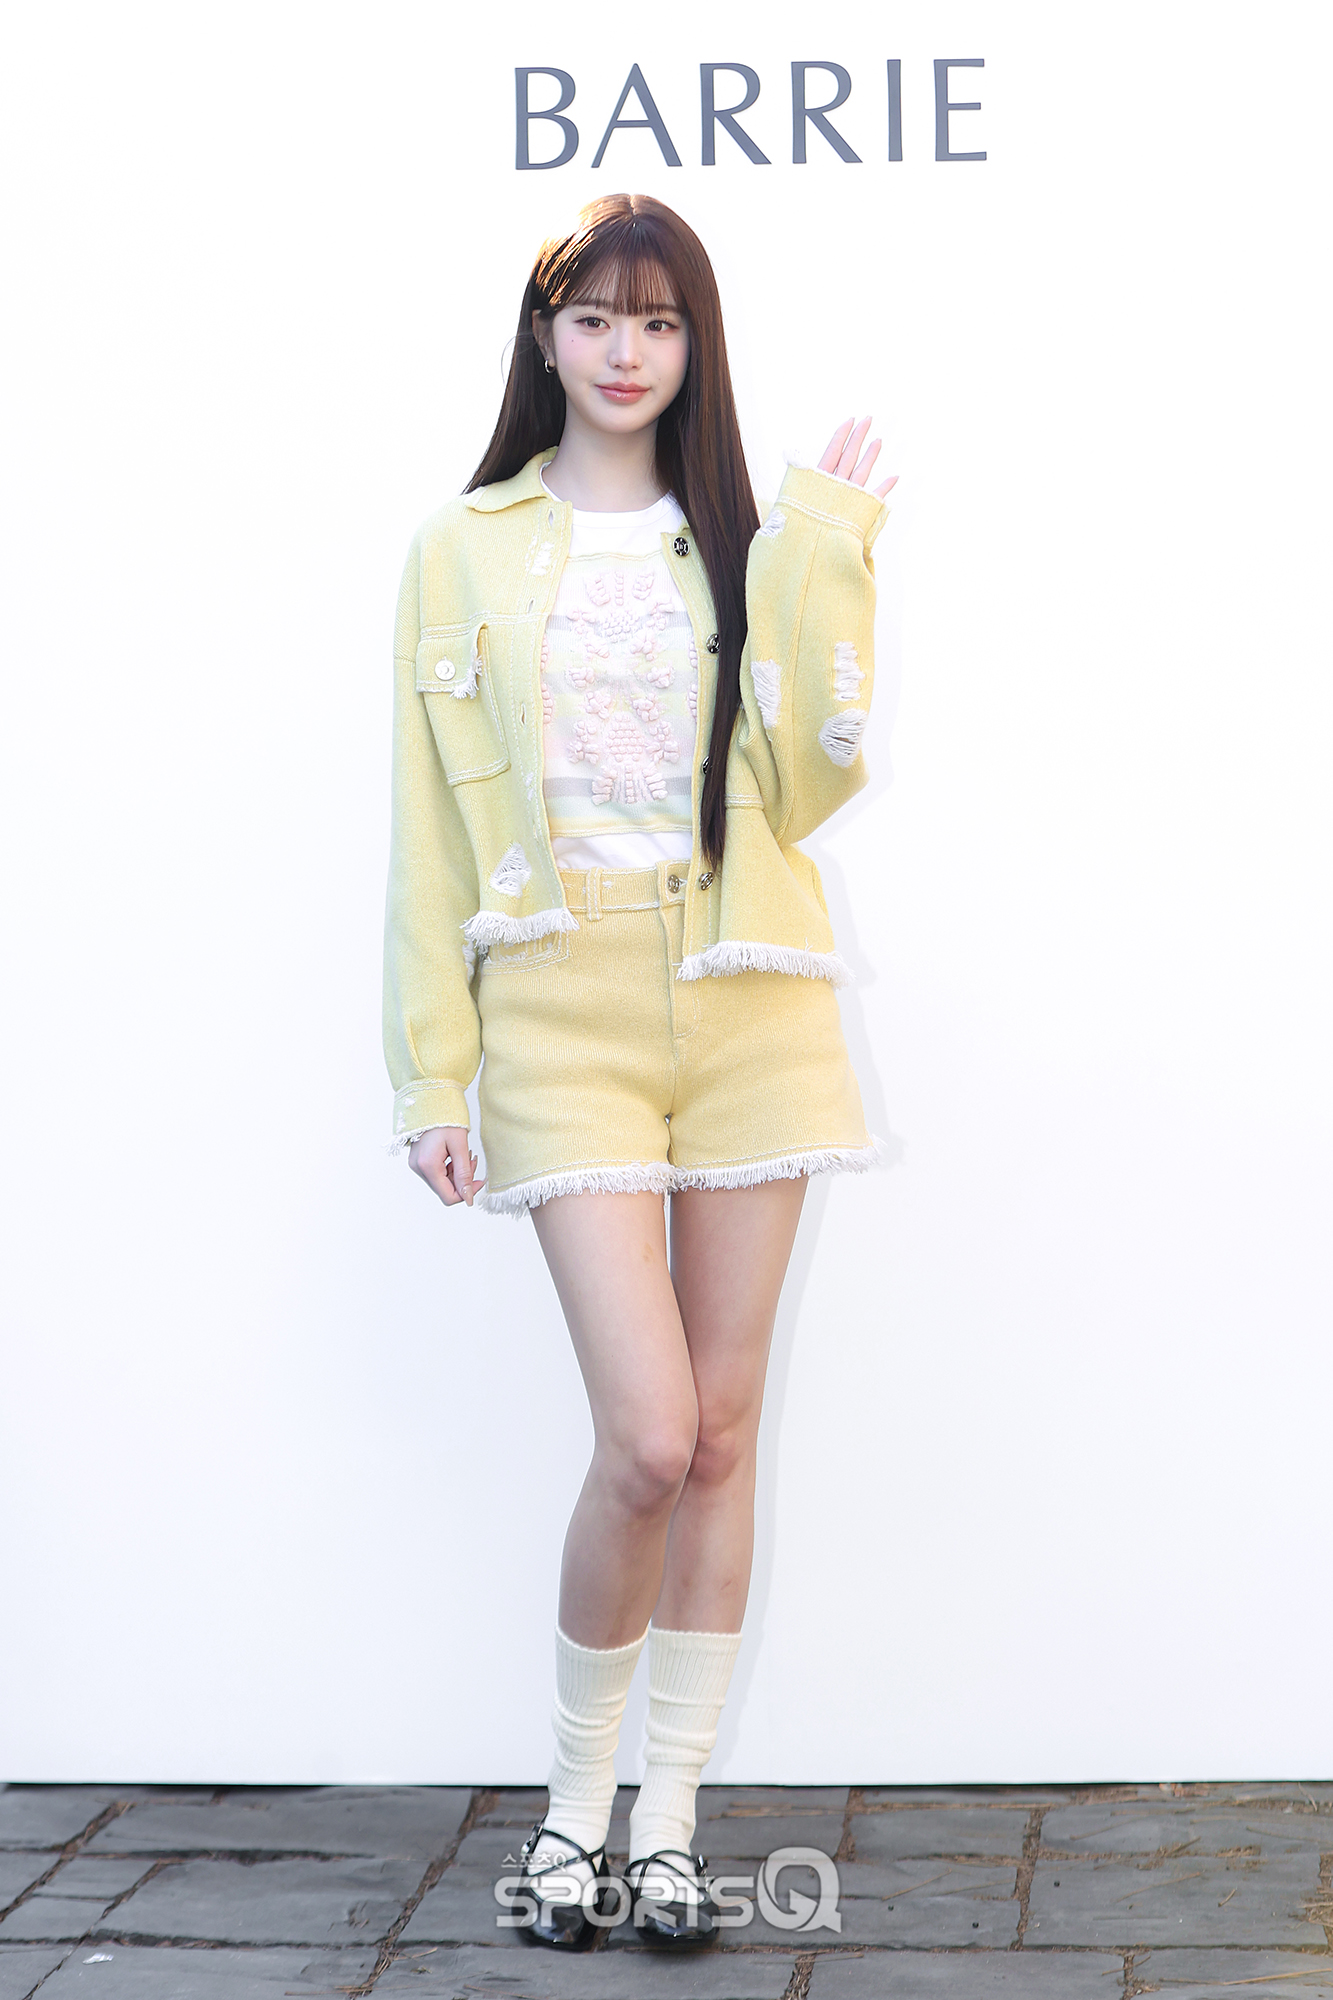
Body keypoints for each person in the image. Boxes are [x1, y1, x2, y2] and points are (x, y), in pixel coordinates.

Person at [383, 192, 895, 1951]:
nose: (624, 350)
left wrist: (825, 551)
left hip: (746, 987)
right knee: (647, 1438)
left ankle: (664, 1828)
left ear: (695, 347)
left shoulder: (743, 537)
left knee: (723, 1434)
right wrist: (431, 1077)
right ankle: (566, 1819)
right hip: (559, 1002)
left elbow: (810, 786)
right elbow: (424, 834)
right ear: (544, 337)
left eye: (659, 322)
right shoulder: (459, 548)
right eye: (594, 317)